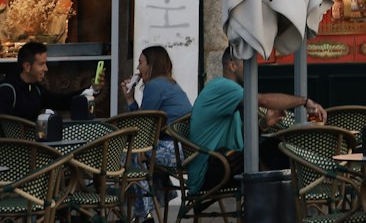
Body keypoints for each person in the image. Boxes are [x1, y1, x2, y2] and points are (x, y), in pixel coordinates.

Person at [188, 46, 326, 192]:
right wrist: (305, 102)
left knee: (275, 149)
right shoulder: (223, 86)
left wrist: (263, 124)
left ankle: (286, 199)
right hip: (209, 171)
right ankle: (292, 198)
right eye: (246, 63)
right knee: (276, 150)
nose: (251, 68)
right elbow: (263, 100)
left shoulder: (230, 93)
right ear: (232, 65)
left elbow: (240, 141)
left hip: (221, 162)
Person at [121, 46, 193, 219]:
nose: (138, 68)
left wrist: (130, 100)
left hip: (175, 150)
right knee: (142, 156)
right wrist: (130, 99)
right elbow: (146, 127)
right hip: (186, 149)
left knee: (129, 155)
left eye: (140, 63)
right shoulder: (169, 84)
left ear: (151, 65)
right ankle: (155, 205)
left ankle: (144, 214)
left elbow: (141, 130)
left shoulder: (154, 86)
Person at [0, 40, 104, 121]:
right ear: (27, 66)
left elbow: (61, 102)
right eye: (41, 64)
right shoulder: (7, 90)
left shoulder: (36, 89)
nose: (46, 69)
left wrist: (93, 89)